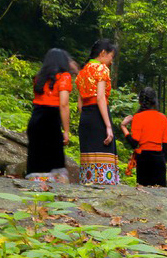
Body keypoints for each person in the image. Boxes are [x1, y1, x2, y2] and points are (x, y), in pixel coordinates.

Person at [26, 48, 76, 182]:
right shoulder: (64, 76)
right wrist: (66, 130)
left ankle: (35, 189)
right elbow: (64, 104)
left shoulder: (38, 78)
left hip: (36, 119)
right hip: (51, 121)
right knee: (53, 159)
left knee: (36, 156)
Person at [76, 38, 119, 185]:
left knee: (88, 159)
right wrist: (108, 126)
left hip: (86, 118)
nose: (111, 61)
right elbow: (100, 98)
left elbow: (79, 104)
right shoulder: (101, 69)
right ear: (102, 53)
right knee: (104, 155)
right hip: (98, 116)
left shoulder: (82, 71)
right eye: (111, 57)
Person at [120, 87, 167, 187]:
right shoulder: (163, 117)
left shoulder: (138, 117)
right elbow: (166, 145)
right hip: (159, 159)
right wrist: (163, 161)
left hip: (143, 160)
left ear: (140, 101)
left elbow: (134, 143)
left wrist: (123, 127)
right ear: (155, 101)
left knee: (144, 192)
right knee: (160, 194)